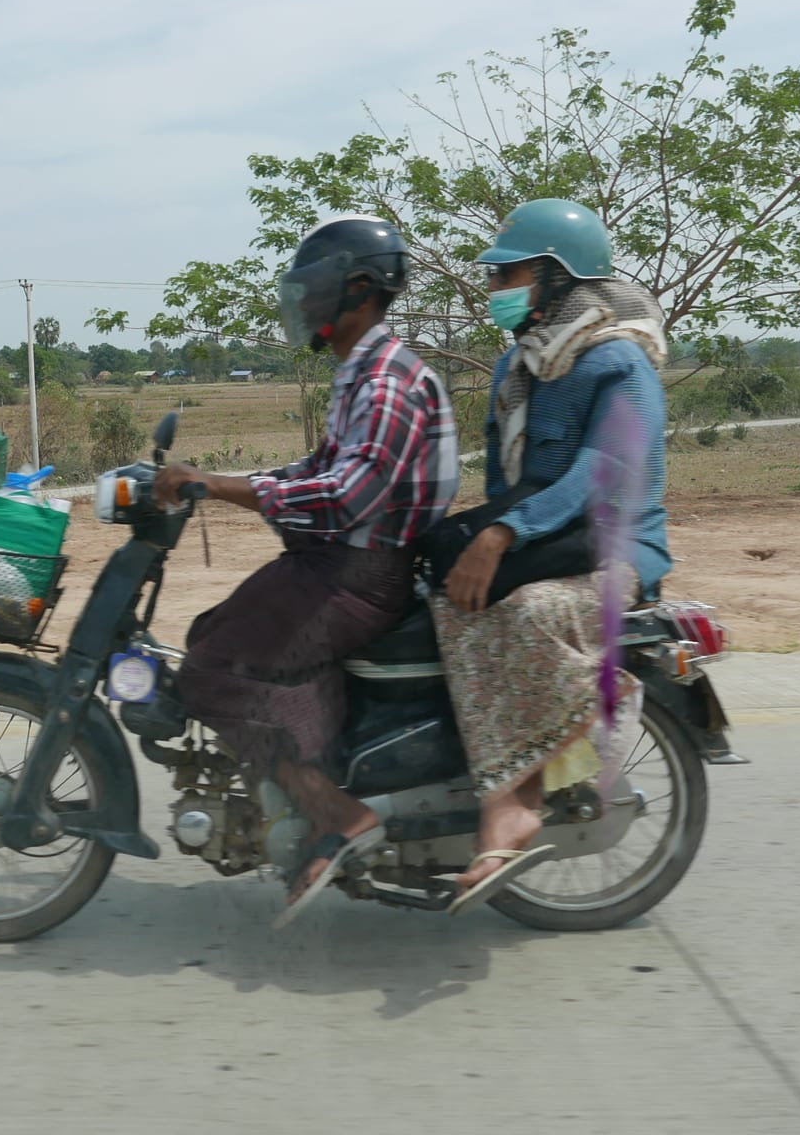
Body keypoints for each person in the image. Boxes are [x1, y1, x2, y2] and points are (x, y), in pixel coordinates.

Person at [154, 215, 459, 926]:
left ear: (361, 289)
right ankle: (307, 780)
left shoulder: (387, 382)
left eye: (319, 286)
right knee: (212, 635)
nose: (308, 300)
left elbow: (349, 494)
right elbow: (315, 470)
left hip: (358, 575)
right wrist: (219, 482)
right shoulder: (361, 374)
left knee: (207, 671)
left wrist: (223, 488)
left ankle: (335, 813)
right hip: (338, 565)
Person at [429, 197, 670, 913]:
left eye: (509, 275)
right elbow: (502, 481)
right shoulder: (520, 365)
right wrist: (468, 531)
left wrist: (502, 536)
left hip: (616, 546)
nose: (495, 288)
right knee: (438, 575)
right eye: (494, 276)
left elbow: (603, 471)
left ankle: (518, 800)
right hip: (548, 537)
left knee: (521, 609)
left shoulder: (618, 360)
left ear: (557, 278)